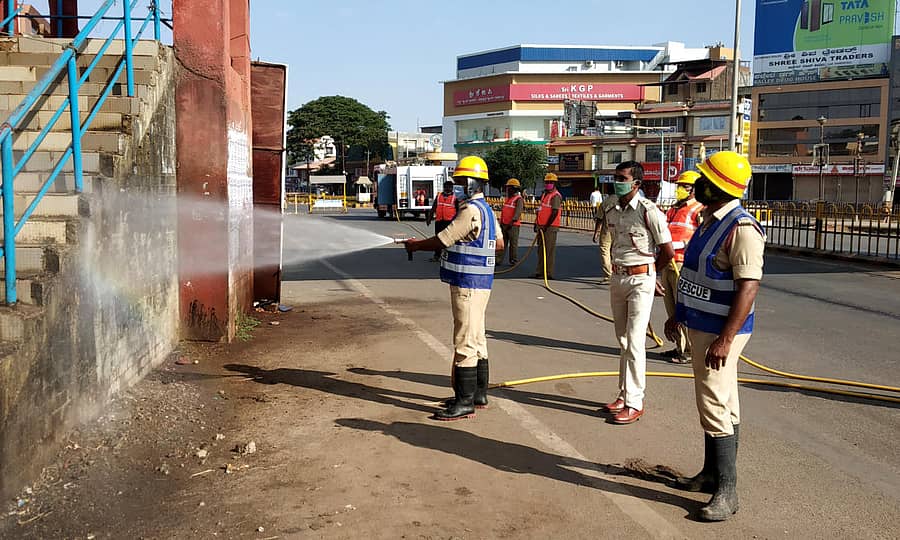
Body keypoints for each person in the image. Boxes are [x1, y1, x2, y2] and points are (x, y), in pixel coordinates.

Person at [665, 151, 764, 522]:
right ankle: (710, 475)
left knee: (713, 405)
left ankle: (727, 492)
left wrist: (724, 339)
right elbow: (695, 276)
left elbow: (748, 287)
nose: (696, 186)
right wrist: (679, 315)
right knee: (725, 401)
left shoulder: (741, 229)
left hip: (720, 331)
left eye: (702, 180)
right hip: (701, 324)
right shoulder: (709, 221)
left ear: (718, 185)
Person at [405, 156, 504, 421]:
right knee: (478, 338)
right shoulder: (487, 210)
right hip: (481, 284)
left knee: (464, 341)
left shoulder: (470, 210)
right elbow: (500, 245)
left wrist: (415, 246)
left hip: (467, 284)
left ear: (473, 183)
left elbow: (443, 239)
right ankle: (478, 395)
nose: (459, 187)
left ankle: (464, 402)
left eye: (462, 183)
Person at [600, 161, 674, 425]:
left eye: (621, 178)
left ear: (636, 184)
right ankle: (623, 394)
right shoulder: (611, 208)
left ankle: (635, 401)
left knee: (634, 341)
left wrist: (652, 275)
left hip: (640, 278)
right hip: (618, 277)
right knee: (622, 340)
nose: (616, 181)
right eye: (615, 177)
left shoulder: (648, 211)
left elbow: (667, 252)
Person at [661, 171, 704, 364]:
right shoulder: (673, 209)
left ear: (694, 189)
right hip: (668, 263)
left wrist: (684, 247)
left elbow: (702, 238)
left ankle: (688, 351)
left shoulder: (699, 209)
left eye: (684, 186)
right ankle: (679, 345)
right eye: (679, 185)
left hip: (683, 265)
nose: (680, 189)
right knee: (672, 309)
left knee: (684, 309)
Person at [534, 173, 562, 280]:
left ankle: (548, 273)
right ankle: (539, 271)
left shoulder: (555, 196)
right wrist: (536, 223)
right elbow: (541, 210)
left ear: (555, 183)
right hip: (541, 226)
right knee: (541, 250)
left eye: (550, 182)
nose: (548, 184)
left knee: (548, 250)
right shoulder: (545, 194)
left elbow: (554, 212)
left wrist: (546, 225)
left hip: (550, 227)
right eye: (547, 182)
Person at [427, 181, 459, 262]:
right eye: (446, 187)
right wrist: (429, 218)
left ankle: (449, 256)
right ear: (444, 187)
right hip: (439, 221)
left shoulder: (455, 197)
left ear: (452, 188)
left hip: (449, 222)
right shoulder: (439, 196)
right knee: (438, 239)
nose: (448, 188)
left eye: (450, 187)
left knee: (449, 240)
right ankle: (437, 256)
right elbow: (434, 207)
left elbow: (458, 210)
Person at [499, 178, 524, 265]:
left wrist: (512, 222)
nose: (507, 190)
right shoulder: (508, 198)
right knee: (502, 243)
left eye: (509, 188)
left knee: (513, 244)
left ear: (514, 188)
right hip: (504, 224)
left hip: (513, 225)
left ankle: (513, 260)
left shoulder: (518, 199)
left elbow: (517, 212)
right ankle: (499, 259)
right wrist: (501, 222)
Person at [592, 200, 613, 285]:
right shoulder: (625, 199)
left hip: (608, 229)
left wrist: (596, 232)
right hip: (621, 229)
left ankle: (609, 275)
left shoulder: (606, 202)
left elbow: (599, 218)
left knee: (605, 251)